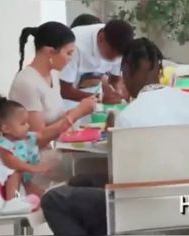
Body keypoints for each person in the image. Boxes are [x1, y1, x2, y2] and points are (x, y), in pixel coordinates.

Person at [41, 38, 189, 235]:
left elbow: (122, 176)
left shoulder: (129, 117)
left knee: (54, 199)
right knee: (82, 180)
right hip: (183, 207)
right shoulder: (185, 102)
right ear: (160, 71)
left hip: (140, 211)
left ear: (127, 72)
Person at [0, 95, 94, 212]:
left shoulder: (27, 137)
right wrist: (34, 168)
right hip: (13, 172)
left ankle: (33, 200)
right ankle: (12, 202)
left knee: (43, 179)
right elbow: (11, 162)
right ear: (5, 128)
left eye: (27, 122)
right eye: (23, 123)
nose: (28, 126)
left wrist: (69, 119)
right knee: (14, 173)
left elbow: (45, 134)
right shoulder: (3, 144)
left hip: (28, 176)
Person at [9, 21, 96, 133]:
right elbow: (37, 138)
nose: (70, 59)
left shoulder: (53, 75)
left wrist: (81, 110)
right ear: (50, 52)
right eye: (69, 53)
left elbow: (56, 119)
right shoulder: (27, 83)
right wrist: (77, 113)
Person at [60, 19, 134, 106]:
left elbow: (114, 80)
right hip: (67, 103)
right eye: (111, 55)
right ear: (101, 38)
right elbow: (65, 91)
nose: (114, 60)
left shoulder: (119, 45)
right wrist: (100, 98)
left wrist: (115, 92)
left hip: (94, 100)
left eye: (118, 57)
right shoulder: (74, 45)